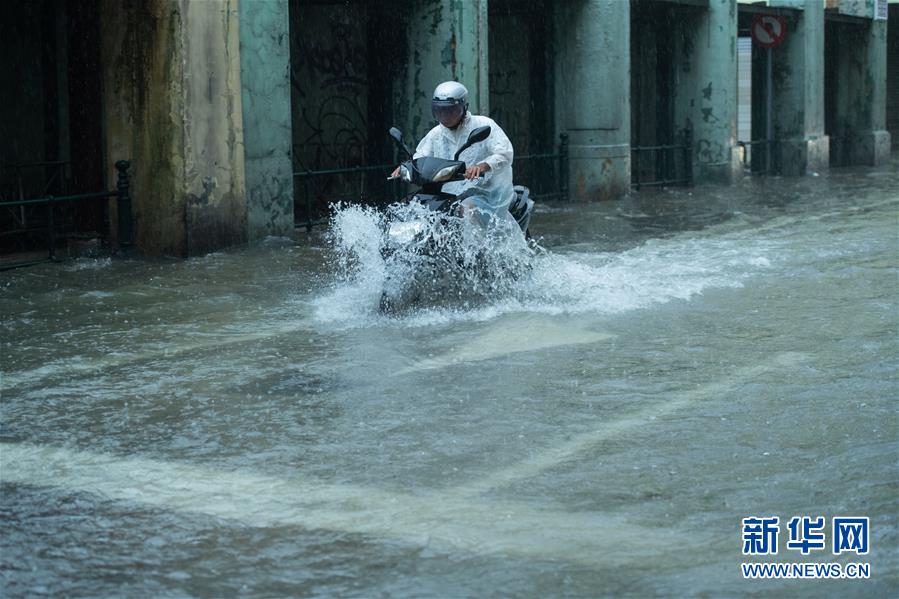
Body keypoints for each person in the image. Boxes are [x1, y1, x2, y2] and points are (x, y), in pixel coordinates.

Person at [393, 81, 517, 229]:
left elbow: (504, 153)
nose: (444, 115)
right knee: (404, 207)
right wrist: (407, 167)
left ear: (463, 107)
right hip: (448, 191)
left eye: (450, 110)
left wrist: (482, 167)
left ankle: (474, 250)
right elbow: (421, 156)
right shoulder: (436, 133)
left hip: (486, 191)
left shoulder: (483, 124)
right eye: (439, 110)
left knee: (468, 210)